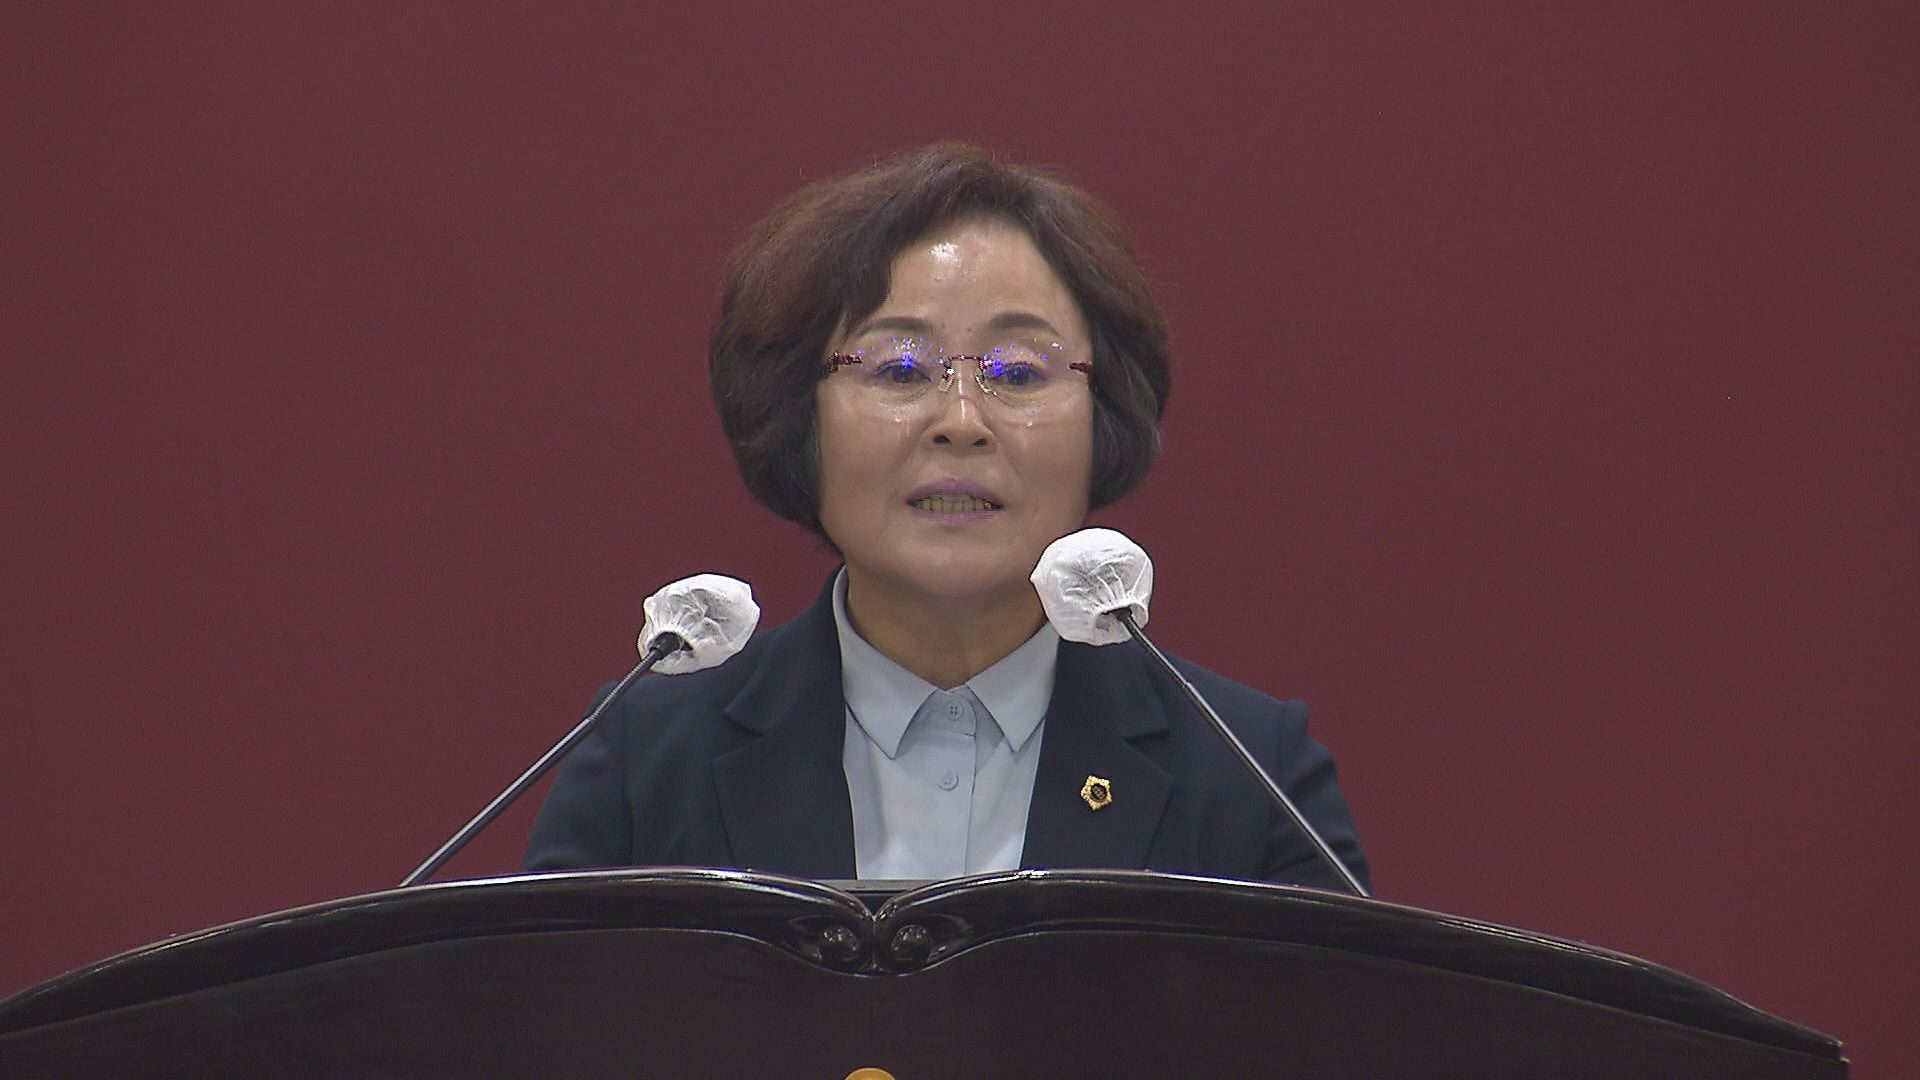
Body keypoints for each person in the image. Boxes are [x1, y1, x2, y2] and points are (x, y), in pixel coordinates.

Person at [524, 143, 1367, 890]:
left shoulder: (1250, 776)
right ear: (797, 417)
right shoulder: (645, 762)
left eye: (1018, 372)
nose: (961, 420)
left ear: (1103, 415)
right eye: (899, 370)